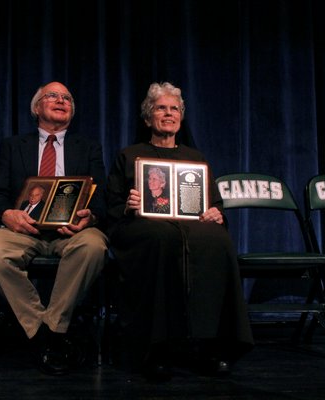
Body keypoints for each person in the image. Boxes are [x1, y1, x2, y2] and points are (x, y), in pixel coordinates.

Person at [106, 82, 254, 381]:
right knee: (161, 238)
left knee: (217, 238)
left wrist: (216, 213)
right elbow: (110, 205)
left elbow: (214, 204)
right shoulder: (129, 155)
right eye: (161, 108)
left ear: (181, 118)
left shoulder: (195, 158)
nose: (168, 113)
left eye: (174, 108)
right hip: (143, 228)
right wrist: (128, 204)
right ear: (148, 118)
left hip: (190, 226)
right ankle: (155, 349)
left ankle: (210, 346)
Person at [0, 81, 108, 376]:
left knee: (95, 247)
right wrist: (7, 214)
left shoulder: (88, 147)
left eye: (67, 98)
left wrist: (91, 217)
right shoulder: (13, 146)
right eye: (53, 96)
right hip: (21, 229)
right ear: (37, 107)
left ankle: (51, 329)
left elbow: (101, 198)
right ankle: (45, 333)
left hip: (72, 231)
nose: (61, 100)